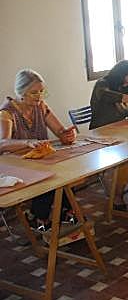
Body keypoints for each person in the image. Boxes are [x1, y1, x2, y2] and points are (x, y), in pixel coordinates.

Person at [0, 69, 78, 231]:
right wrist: (27, 142)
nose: (39, 96)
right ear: (21, 92)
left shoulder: (41, 106)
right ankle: (40, 216)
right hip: (16, 163)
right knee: (49, 178)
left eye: (42, 91)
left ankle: (59, 212)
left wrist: (67, 135)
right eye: (34, 92)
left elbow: (60, 132)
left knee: (65, 174)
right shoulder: (7, 112)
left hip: (39, 160)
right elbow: (2, 143)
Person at [89, 60, 128, 210]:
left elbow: (125, 112)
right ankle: (117, 196)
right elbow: (106, 95)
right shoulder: (102, 84)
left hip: (120, 131)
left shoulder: (125, 87)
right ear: (119, 74)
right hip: (101, 133)